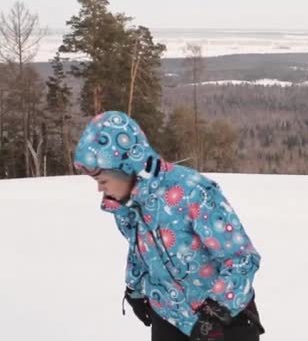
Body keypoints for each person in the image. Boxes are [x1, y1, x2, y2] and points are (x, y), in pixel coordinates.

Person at [74, 111, 264, 341]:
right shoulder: (126, 205)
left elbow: (242, 257)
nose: (100, 190)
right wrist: (135, 288)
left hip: (225, 320)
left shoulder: (192, 192)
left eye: (102, 181)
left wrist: (216, 311)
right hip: (169, 316)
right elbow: (139, 247)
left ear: (125, 167)